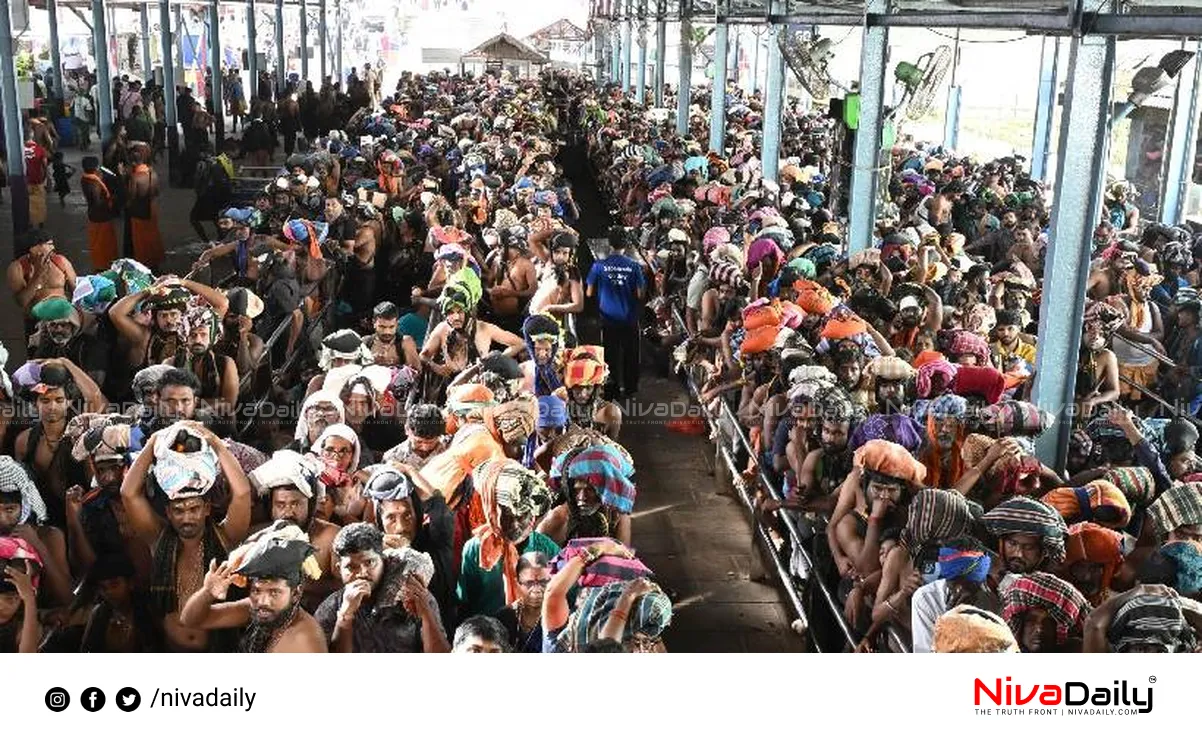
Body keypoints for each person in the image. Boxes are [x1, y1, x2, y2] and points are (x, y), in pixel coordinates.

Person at [179, 522, 328, 652]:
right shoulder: (258, 609)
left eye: (274, 592)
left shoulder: (305, 642)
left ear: (295, 593)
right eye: (257, 590)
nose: (263, 600)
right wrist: (207, 592)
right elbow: (190, 620)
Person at [314, 522, 450, 653]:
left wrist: (425, 613)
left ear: (384, 561)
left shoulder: (413, 596)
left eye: (369, 562)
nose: (362, 573)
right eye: (351, 567)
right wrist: (345, 616)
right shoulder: (332, 607)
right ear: (339, 570)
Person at [586, 226, 646, 400]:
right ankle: (630, 390)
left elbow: (589, 292)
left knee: (610, 356)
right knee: (631, 355)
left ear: (609, 244)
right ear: (626, 245)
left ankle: (611, 392)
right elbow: (640, 294)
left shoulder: (598, 266)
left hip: (608, 320)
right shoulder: (634, 267)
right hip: (629, 319)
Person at [80, 156, 120, 270]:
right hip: (101, 217)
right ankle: (104, 265)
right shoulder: (94, 183)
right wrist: (112, 198)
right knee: (104, 244)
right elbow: (98, 202)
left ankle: (103, 263)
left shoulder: (86, 178)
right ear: (96, 167)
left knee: (99, 242)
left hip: (95, 216)